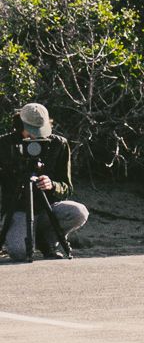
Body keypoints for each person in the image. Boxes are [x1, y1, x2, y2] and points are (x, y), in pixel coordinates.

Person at [3, 102, 87, 262]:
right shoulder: (6, 145)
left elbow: (67, 188)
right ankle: (24, 237)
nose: (36, 136)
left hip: (48, 208)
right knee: (20, 252)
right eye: (31, 131)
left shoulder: (58, 144)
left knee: (79, 212)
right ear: (21, 124)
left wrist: (52, 185)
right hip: (18, 209)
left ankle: (47, 241)